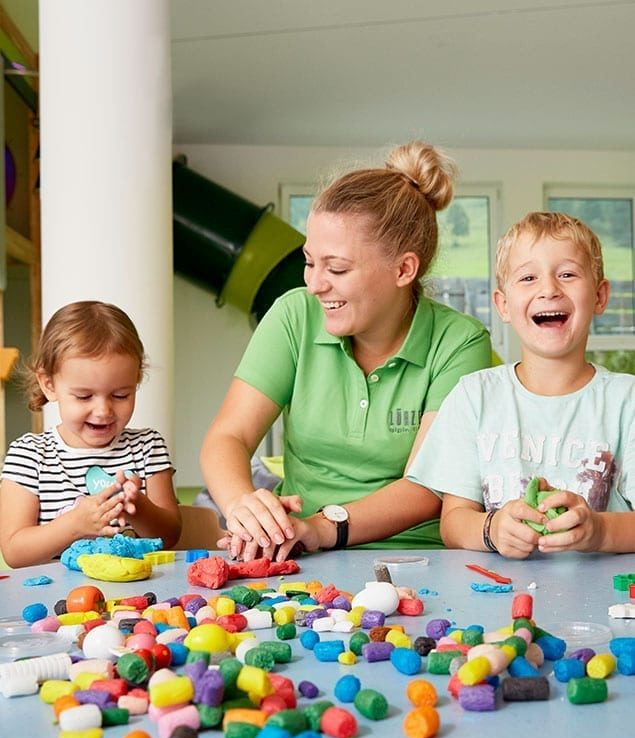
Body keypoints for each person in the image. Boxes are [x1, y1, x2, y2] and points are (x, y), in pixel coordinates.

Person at [200, 140, 492, 562]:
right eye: (309, 261)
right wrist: (243, 505)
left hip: (418, 560)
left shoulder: (459, 342)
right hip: (299, 553)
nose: (316, 283)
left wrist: (319, 528)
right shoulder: (293, 315)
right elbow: (228, 436)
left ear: (403, 269)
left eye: (336, 268)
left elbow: (426, 487)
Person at [407, 211, 635, 558]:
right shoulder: (474, 396)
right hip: (496, 596)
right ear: (503, 305)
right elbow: (453, 522)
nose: (549, 289)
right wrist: (492, 529)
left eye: (568, 274)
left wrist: (599, 530)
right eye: (528, 277)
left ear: (601, 296)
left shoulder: (626, 401)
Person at [0, 301, 181, 567]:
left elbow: (171, 535)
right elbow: (14, 552)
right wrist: (74, 525)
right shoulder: (29, 455)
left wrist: (138, 507)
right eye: (84, 396)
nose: (103, 410)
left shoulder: (147, 446)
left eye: (121, 395)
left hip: (135, 598)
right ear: (49, 385)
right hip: (55, 602)